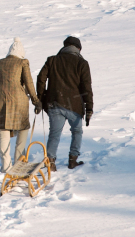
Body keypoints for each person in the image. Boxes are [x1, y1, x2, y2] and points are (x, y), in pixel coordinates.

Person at [37, 35, 93, 171]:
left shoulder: (52, 60)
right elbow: (87, 87)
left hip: (54, 103)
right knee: (77, 132)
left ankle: (50, 162)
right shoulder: (82, 63)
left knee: (54, 133)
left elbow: (41, 78)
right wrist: (89, 108)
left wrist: (40, 98)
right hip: (74, 105)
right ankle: (73, 160)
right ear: (78, 49)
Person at [0, 38, 41, 172]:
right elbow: (29, 83)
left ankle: (6, 166)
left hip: (0, 103)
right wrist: (36, 101)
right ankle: (19, 164)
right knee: (22, 131)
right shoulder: (23, 62)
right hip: (19, 103)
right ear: (21, 53)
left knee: (3, 133)